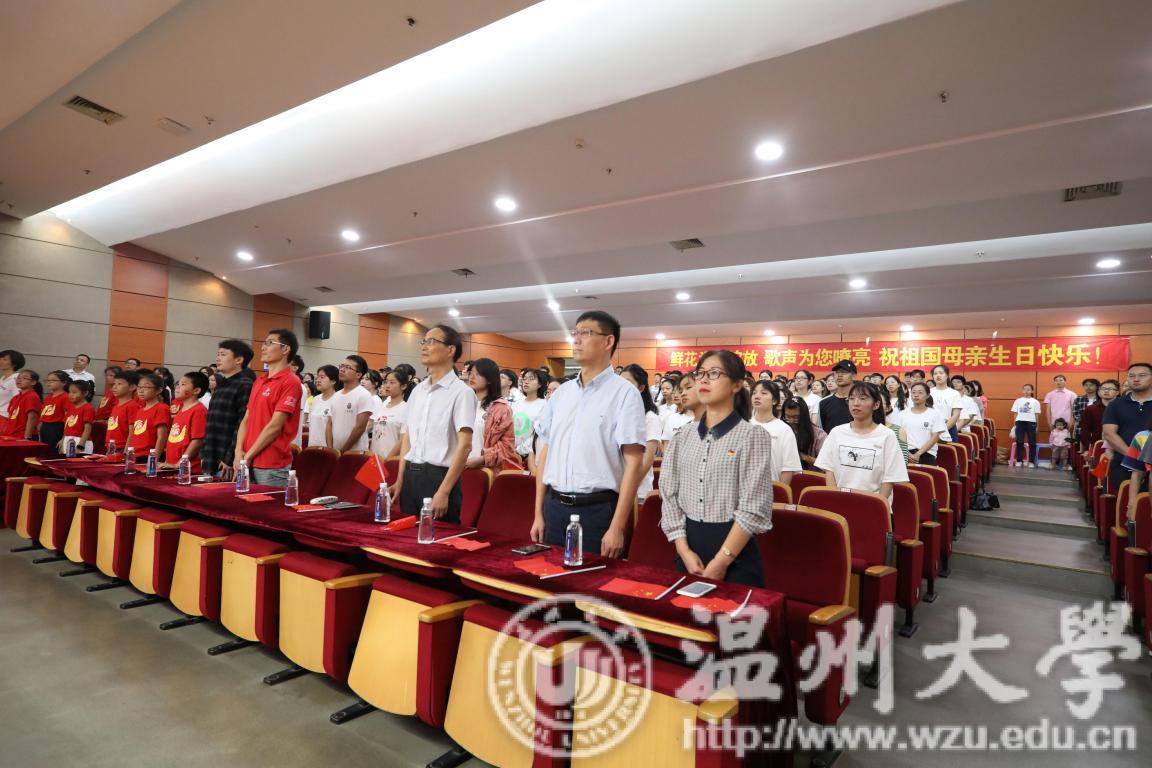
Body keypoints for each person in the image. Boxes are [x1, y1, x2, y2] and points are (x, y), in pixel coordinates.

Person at [530, 311, 645, 557]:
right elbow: (547, 452)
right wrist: (538, 513)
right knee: (551, 577)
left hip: (597, 511)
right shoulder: (562, 394)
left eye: (586, 333)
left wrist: (617, 527)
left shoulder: (625, 394)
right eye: (575, 333)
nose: (576, 339)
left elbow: (634, 463)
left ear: (608, 341)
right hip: (554, 506)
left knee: (592, 580)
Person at [660, 350, 772, 586]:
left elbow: (753, 506)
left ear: (737, 385)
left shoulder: (752, 436)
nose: (703, 379)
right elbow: (669, 494)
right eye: (700, 373)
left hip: (735, 552)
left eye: (714, 373)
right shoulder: (683, 436)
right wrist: (684, 551)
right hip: (688, 548)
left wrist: (722, 560)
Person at [388, 324, 476, 522]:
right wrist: (400, 480)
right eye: (423, 342)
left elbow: (465, 446)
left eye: (431, 341)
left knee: (437, 537)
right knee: (408, 536)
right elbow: (408, 438)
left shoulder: (461, 392)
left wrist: (444, 491)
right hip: (411, 475)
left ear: (450, 350)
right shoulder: (418, 391)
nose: (424, 347)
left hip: (439, 478)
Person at [231, 329, 302, 487]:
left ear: (285, 349)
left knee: (269, 503)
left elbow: (275, 426)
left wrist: (247, 456)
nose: (263, 347)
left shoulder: (291, 381)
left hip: (271, 464)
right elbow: (246, 419)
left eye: (269, 343)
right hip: (246, 459)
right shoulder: (260, 381)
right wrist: (238, 451)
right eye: (264, 343)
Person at [815, 382, 909, 500]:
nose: (856, 403)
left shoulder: (887, 435)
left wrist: (877, 505)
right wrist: (835, 498)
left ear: (876, 404)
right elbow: (829, 469)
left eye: (863, 398)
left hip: (873, 502)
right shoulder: (837, 432)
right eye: (852, 398)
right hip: (839, 500)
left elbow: (890, 478)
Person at [201, 339, 257, 478]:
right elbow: (211, 423)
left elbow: (242, 424)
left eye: (223, 354)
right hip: (211, 456)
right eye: (218, 354)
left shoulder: (245, 385)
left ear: (239, 360)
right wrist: (204, 453)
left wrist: (229, 458)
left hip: (227, 462)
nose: (218, 358)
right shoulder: (221, 385)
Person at [1102, 363, 1152, 497]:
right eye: (1131, 376)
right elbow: (1109, 433)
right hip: (1123, 463)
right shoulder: (1116, 404)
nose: (1136, 379)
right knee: (1128, 503)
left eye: (1142, 375)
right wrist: (1133, 457)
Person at [464, 358, 519, 470]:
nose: (472, 377)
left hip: (484, 469)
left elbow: (507, 446)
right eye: (470, 373)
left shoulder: (501, 409)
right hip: (456, 465)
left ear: (489, 379)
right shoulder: (464, 402)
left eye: (478, 374)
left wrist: (482, 459)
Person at [619, 364, 662, 501]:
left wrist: (626, 488)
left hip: (637, 492)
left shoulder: (650, 418)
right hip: (614, 491)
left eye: (627, 382)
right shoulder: (617, 415)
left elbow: (647, 461)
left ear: (641, 388)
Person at [751, 380, 801, 484]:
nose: (757, 396)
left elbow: (788, 468)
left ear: (774, 401)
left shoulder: (784, 429)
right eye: (754, 393)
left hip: (771, 487)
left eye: (763, 393)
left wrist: (780, 490)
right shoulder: (743, 425)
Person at [163, 372, 209, 473]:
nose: (177, 387)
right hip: (173, 466)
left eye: (183, 384)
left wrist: (180, 463)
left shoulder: (199, 410)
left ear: (196, 390)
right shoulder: (181, 409)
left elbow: (197, 441)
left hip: (188, 470)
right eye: (178, 384)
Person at [328, 355, 374, 453]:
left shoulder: (363, 395)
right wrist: (331, 449)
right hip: (335, 452)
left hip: (355, 453)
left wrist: (343, 451)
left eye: (348, 367)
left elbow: (360, 427)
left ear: (358, 375)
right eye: (341, 366)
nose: (342, 370)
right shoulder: (335, 395)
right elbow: (329, 424)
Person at [898, 382, 947, 466]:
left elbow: (935, 437)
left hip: (927, 453)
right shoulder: (902, 414)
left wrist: (918, 454)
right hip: (905, 453)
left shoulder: (935, 414)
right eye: (913, 392)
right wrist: (907, 454)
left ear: (928, 395)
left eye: (920, 392)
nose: (916, 395)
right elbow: (898, 435)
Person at [370, 368, 413, 460]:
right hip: (374, 458)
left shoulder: (406, 409)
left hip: (390, 460)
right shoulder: (383, 405)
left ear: (403, 386)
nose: (387, 385)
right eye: (386, 382)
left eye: (392, 382)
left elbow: (402, 440)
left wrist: (387, 459)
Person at [129, 373, 171, 454]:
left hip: (149, 454)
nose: (141, 391)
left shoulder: (161, 408)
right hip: (135, 454)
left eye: (146, 387)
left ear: (159, 390)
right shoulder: (140, 410)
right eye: (139, 387)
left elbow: (162, 437)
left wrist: (154, 458)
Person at [513, 368, 549, 461]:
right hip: (512, 452)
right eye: (524, 379)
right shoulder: (517, 403)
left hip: (529, 455)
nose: (526, 382)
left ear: (540, 384)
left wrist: (520, 452)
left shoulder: (544, 405)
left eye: (531, 379)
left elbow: (538, 434)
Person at [783, 397, 826, 471]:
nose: (791, 421)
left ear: (804, 416)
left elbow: (827, 465)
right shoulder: (783, 430)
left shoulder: (819, 435)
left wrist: (804, 457)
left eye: (796, 417)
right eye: (787, 417)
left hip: (810, 475)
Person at [1079, 379, 1119, 452]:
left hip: (1119, 446)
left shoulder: (1123, 408)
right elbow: (1085, 431)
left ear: (1117, 392)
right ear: (1099, 392)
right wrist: (1087, 449)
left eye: (1110, 389)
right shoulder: (1090, 409)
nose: (1106, 391)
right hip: (1097, 446)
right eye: (1103, 389)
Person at [105, 371, 140, 450]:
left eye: (119, 384)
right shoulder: (115, 406)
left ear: (132, 387)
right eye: (114, 384)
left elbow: (132, 432)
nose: (114, 387)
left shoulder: (132, 406)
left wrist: (126, 451)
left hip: (122, 447)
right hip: (110, 446)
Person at [2, 370, 42, 439]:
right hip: (11, 435)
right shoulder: (15, 398)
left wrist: (27, 437)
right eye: (18, 378)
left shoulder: (31, 396)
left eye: (24, 378)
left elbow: (32, 418)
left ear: (33, 382)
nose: (19, 380)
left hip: (22, 436)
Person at [818, 359, 856, 432]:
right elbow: (823, 430)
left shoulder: (860, 402)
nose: (839, 375)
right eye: (837, 372)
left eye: (844, 372)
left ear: (853, 376)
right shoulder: (824, 403)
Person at [1011, 383, 1042, 467]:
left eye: (1028, 389)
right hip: (1019, 422)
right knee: (1019, 441)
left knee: (1032, 442)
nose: (1026, 391)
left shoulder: (1035, 402)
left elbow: (1036, 415)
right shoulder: (1018, 400)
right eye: (1024, 389)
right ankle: (1019, 460)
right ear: (1022, 390)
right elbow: (1015, 413)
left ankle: (1031, 461)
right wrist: (1015, 425)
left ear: (1032, 391)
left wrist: (1037, 426)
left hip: (1031, 422)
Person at [928, 365, 962, 441]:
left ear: (947, 375)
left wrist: (942, 430)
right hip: (930, 428)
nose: (938, 375)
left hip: (949, 427)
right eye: (935, 373)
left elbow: (956, 415)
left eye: (941, 373)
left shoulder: (954, 393)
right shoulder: (928, 392)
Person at [307, 365, 338, 448]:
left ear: (333, 381)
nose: (318, 380)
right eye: (317, 377)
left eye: (322, 377)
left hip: (328, 449)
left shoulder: (338, 400)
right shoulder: (316, 399)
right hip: (312, 446)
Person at [61, 379, 95, 453]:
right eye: (69, 392)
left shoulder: (88, 408)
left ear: (85, 393)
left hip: (80, 441)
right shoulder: (70, 407)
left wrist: (80, 445)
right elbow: (66, 426)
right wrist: (62, 440)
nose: (71, 395)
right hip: (68, 439)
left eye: (74, 392)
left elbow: (87, 428)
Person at [38, 371, 70, 449]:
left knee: (53, 451)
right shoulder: (48, 397)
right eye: (48, 380)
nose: (49, 382)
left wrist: (64, 438)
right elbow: (43, 415)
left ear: (64, 383)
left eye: (53, 380)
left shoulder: (65, 397)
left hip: (57, 428)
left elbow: (68, 418)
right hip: (45, 427)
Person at [0, 349, 24, 433]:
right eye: (0, 358)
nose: (1, 361)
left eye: (5, 359)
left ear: (14, 364)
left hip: (5, 417)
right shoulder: (2, 378)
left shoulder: (16, 379)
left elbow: (18, 401)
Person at [1070, 378, 1098, 445]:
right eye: (1086, 385)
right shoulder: (1078, 399)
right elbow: (1076, 415)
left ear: (1097, 386)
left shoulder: (1101, 399)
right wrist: (1086, 422)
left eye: (1091, 385)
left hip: (1097, 430)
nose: (1088, 387)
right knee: (1082, 449)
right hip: (1081, 429)